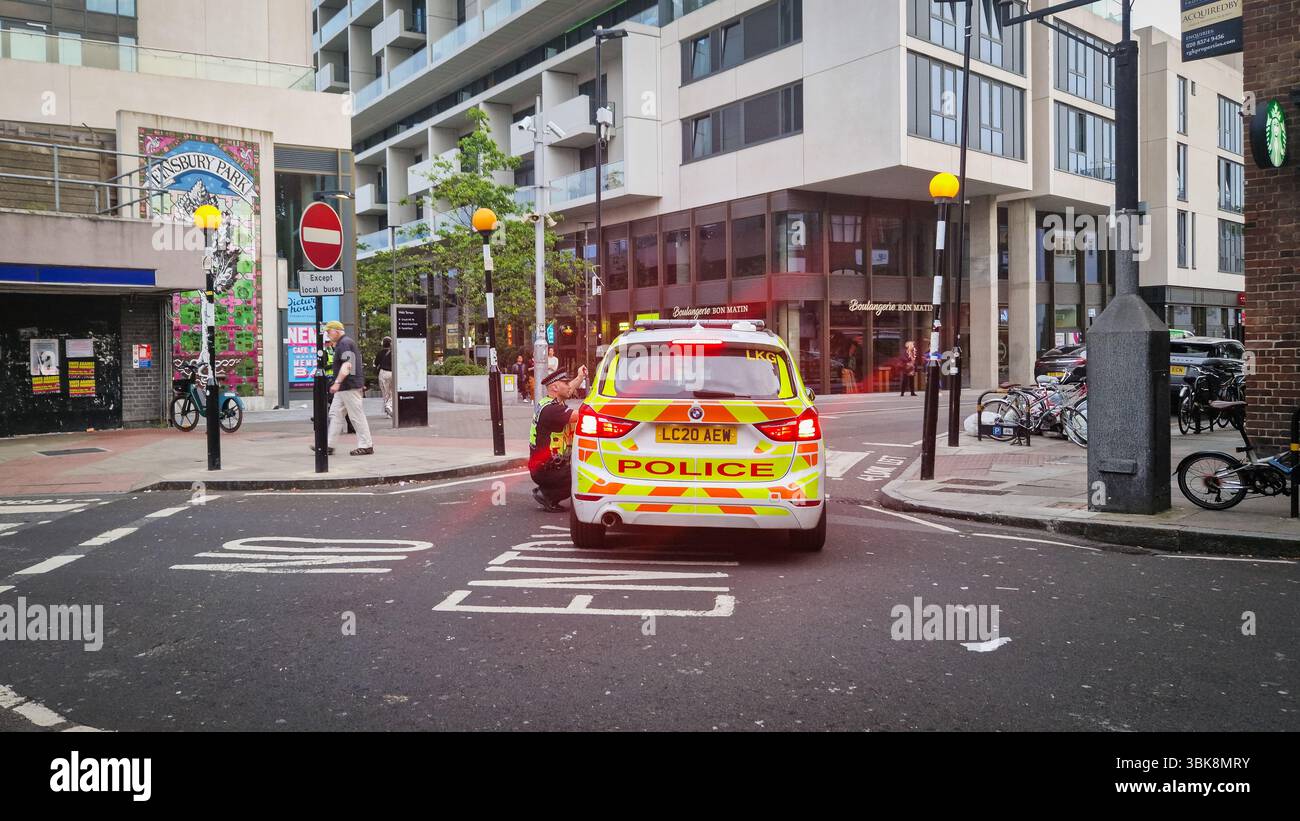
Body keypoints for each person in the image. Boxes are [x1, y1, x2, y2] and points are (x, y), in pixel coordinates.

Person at [528, 366, 588, 512]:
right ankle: (547, 495)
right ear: (555, 387)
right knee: (584, 474)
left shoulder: (548, 403)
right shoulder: (552, 410)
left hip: (542, 466)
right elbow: (581, 416)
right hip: (547, 469)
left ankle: (548, 488)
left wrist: (580, 376)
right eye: (565, 383)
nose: (570, 387)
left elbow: (568, 389)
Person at [321, 321, 373, 456]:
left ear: (337, 330)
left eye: (329, 331)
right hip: (345, 387)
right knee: (335, 414)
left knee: (356, 416)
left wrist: (337, 382)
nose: (327, 334)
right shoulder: (344, 343)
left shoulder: (344, 343)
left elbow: (347, 365)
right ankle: (328, 445)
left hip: (349, 386)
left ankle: (366, 445)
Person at [376, 336, 393, 417]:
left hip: (383, 373)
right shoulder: (394, 353)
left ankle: (387, 408)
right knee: (392, 392)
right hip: (392, 373)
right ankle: (389, 407)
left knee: (385, 392)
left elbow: (376, 364)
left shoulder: (379, 353)